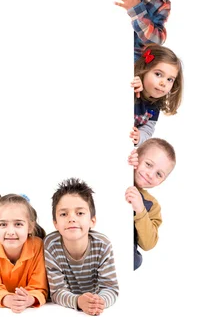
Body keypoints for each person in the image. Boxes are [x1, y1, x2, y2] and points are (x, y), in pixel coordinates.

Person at [44, 178, 119, 315]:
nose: (71, 218)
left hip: (93, 301)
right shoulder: (51, 245)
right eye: (63, 214)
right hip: (61, 311)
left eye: (80, 213)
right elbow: (56, 291)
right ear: (55, 223)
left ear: (92, 221)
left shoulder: (102, 245)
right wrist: (78, 301)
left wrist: (99, 301)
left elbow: (111, 288)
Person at [0, 194, 48, 312]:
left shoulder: (38, 246)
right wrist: (7, 299)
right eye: (3, 224)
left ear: (30, 227)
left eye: (18, 224)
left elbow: (39, 287)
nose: (10, 232)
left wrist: (29, 299)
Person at [126, 138, 176, 269]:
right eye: (148, 164)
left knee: (134, 259)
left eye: (159, 174)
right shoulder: (120, 171)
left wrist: (141, 210)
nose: (150, 175)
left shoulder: (152, 205)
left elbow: (148, 244)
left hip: (122, 256)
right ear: (136, 156)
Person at [131, 44, 183, 145]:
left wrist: (139, 136)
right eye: (158, 74)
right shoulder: (133, 84)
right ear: (144, 70)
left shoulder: (155, 105)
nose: (163, 83)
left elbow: (147, 130)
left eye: (169, 79)